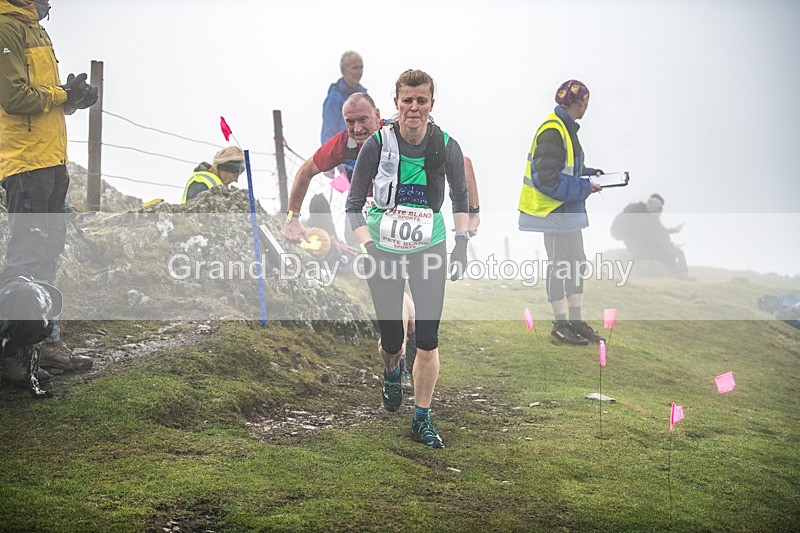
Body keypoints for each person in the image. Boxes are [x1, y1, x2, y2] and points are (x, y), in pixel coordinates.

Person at [346, 69, 470, 448]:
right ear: (396, 102)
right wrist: (368, 248)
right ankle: (391, 372)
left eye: (422, 100)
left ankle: (422, 418)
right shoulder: (377, 144)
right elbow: (353, 206)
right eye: (408, 100)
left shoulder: (446, 145)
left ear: (432, 104)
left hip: (429, 247)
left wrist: (461, 243)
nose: (414, 108)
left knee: (428, 340)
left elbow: (460, 197)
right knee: (392, 341)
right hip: (383, 248)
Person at [0, 0, 97, 381]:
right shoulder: (6, 26)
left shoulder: (34, 27)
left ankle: (47, 342)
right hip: (26, 162)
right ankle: (15, 354)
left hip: (51, 157)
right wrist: (62, 95)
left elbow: (41, 98)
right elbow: (14, 98)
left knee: (49, 251)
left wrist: (73, 99)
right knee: (26, 258)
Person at [517, 79, 605, 346]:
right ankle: (560, 325)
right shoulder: (553, 130)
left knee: (577, 262)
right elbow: (547, 178)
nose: (587, 107)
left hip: (567, 211)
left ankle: (575, 322)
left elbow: (566, 168)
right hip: (552, 212)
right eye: (586, 102)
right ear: (578, 102)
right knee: (560, 265)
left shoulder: (566, 128)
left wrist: (590, 174)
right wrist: (584, 186)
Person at [611, 193, 690, 278]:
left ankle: (677, 273)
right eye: (659, 208)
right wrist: (671, 245)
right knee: (678, 252)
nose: (659, 211)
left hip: (637, 249)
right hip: (643, 252)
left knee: (670, 252)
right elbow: (655, 237)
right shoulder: (646, 219)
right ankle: (683, 274)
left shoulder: (643, 216)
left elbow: (659, 232)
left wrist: (674, 230)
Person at [321, 51, 366, 145]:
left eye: (361, 68)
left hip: (363, 149)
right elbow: (328, 133)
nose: (359, 72)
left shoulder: (364, 96)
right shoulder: (334, 98)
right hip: (343, 150)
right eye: (355, 68)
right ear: (343, 69)